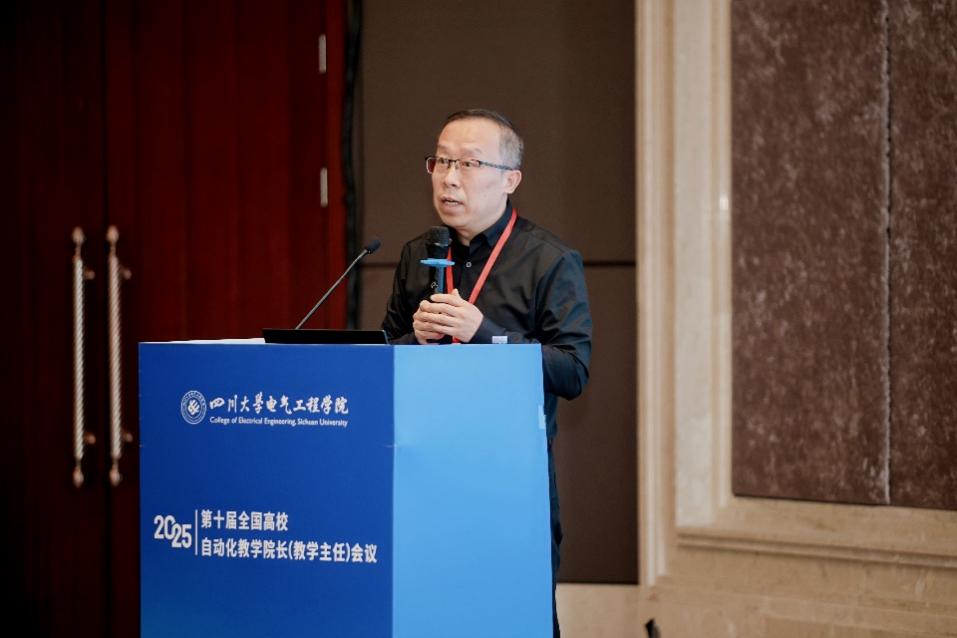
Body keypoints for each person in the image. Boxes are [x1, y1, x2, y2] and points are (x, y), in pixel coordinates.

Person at [381, 108, 592, 637]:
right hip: (423, 478)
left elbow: (572, 371)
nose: (449, 178)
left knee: (511, 619)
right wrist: (413, 341)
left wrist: (485, 332)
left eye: (469, 164)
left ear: (510, 179)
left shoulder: (549, 261)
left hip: (508, 484)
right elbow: (382, 362)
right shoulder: (417, 255)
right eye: (441, 161)